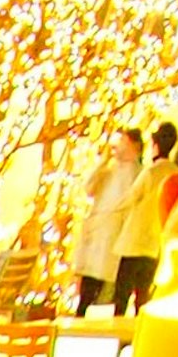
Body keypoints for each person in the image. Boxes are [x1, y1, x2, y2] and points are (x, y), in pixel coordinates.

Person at [110, 119, 178, 322]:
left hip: (134, 241)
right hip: (154, 243)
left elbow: (131, 197)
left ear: (155, 145)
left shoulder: (151, 172)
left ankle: (120, 340)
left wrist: (111, 210)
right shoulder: (177, 174)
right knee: (142, 297)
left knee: (122, 295)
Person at [72, 127, 146, 315]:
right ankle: (82, 311)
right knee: (89, 281)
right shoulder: (109, 170)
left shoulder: (138, 173)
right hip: (97, 229)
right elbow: (89, 188)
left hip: (114, 233)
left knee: (106, 283)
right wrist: (103, 161)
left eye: (123, 142)